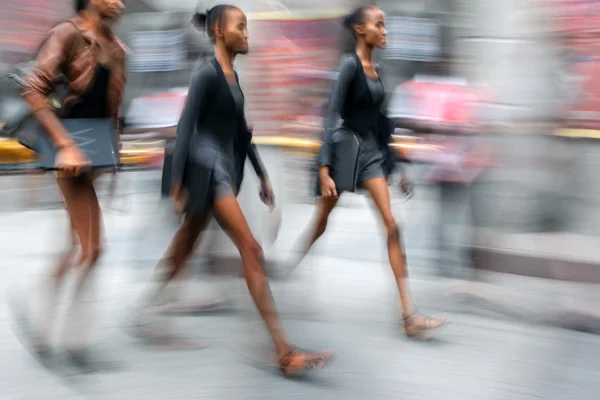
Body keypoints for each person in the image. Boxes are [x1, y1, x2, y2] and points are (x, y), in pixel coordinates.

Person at [132, 4, 332, 377]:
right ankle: (283, 351)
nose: (247, 33)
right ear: (220, 31)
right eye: (241, 26)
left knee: (183, 247)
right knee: (251, 248)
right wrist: (177, 185)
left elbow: (242, 133)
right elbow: (186, 126)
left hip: (223, 168)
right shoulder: (206, 75)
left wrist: (262, 175)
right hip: (207, 172)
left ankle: (144, 314)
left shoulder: (232, 78)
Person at [289, 6, 446, 339]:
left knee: (392, 226)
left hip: (372, 157)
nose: (385, 30)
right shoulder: (348, 67)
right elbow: (331, 118)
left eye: (385, 25)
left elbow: (384, 124)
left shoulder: (380, 70)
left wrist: (399, 166)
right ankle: (292, 268)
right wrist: (324, 168)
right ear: (361, 30)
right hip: (346, 156)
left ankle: (409, 316)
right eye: (379, 25)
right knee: (321, 222)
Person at [13, 0, 126, 370]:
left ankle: (42, 314)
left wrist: (114, 163)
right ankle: (74, 335)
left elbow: (111, 113)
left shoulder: (118, 49)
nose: (121, 2)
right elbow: (33, 90)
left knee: (76, 247)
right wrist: (65, 145)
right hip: (71, 149)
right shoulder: (68, 34)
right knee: (93, 249)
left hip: (95, 150)